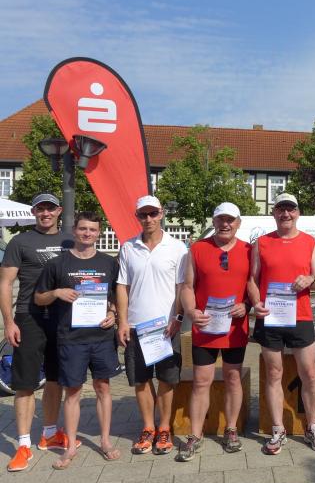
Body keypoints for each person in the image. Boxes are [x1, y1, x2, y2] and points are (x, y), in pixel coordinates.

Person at [34, 211, 121, 468]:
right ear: (74, 230)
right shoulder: (57, 264)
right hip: (71, 338)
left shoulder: (109, 263)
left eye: (92, 230)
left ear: (99, 233)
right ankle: (71, 446)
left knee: (103, 388)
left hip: (101, 336)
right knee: (72, 391)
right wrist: (57, 292)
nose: (87, 233)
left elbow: (116, 296)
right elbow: (38, 298)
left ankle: (105, 441)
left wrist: (113, 314)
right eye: (83, 229)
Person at [0, 193, 75, 472]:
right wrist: (9, 322)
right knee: (25, 383)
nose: (45, 213)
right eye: (40, 209)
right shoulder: (20, 242)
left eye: (50, 209)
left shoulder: (69, 240)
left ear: (58, 211)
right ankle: (23, 445)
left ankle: (49, 433)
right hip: (29, 317)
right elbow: (5, 283)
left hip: (62, 318)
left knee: (55, 379)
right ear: (34, 212)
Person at [249, 193, 315, 454]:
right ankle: (277, 429)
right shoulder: (262, 243)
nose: (286, 214)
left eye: (290, 209)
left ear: (298, 213)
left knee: (310, 374)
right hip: (270, 317)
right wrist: (256, 302)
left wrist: (310, 279)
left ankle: (312, 427)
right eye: (281, 209)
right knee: (273, 374)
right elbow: (252, 279)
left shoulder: (309, 242)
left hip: (300, 317)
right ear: (274, 213)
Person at [176, 203, 252, 461]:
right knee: (201, 381)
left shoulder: (249, 250)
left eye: (230, 220)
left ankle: (231, 430)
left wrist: (247, 305)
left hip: (235, 327)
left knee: (233, 378)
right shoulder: (197, 249)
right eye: (220, 219)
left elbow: (254, 285)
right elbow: (187, 286)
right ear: (214, 221)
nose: (225, 224)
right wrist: (190, 310)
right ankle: (195, 435)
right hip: (206, 326)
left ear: (238, 223)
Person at [117, 196, 187, 456]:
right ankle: (148, 427)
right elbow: (122, 287)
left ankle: (165, 427)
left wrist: (178, 318)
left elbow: (182, 287)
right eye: (143, 214)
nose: (148, 219)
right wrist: (123, 321)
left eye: (153, 213)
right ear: (137, 216)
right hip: (137, 326)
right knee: (140, 380)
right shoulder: (128, 247)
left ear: (161, 213)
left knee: (167, 379)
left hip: (166, 327)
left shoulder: (177, 248)